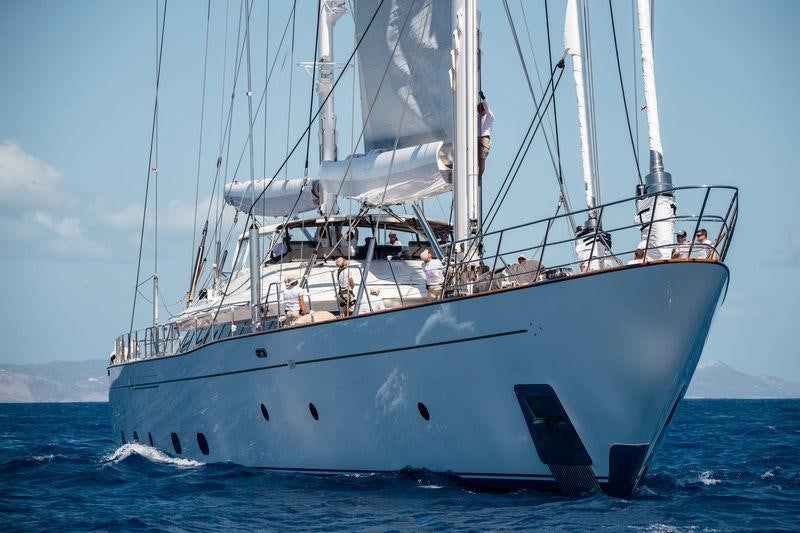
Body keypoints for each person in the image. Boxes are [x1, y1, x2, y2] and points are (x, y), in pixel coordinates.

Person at [477, 91, 494, 183]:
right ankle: (475, 176)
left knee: (481, 158)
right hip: (476, 139)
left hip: (484, 139)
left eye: (480, 110)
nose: (479, 112)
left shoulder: (489, 116)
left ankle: (479, 177)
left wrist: (483, 98)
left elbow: (487, 107)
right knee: (475, 159)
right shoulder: (477, 117)